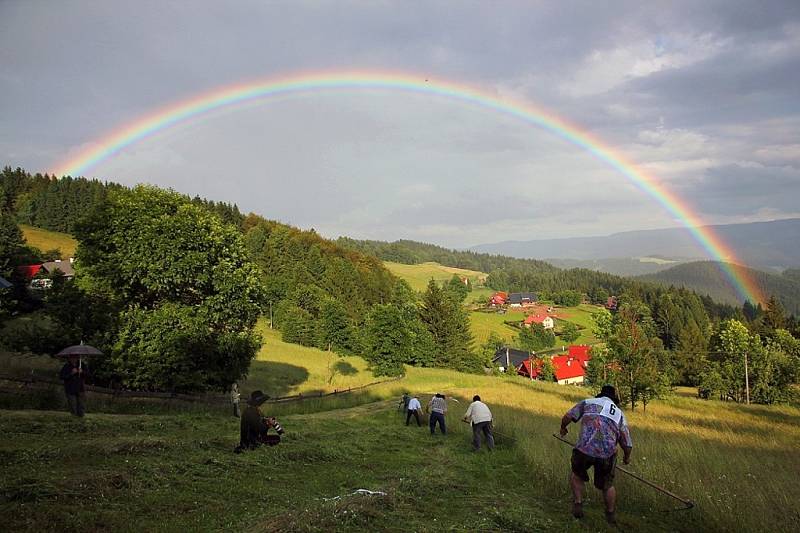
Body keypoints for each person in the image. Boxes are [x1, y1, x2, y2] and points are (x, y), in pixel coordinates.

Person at [559, 384, 633, 525]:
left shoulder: (587, 402)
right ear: (613, 399)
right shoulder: (619, 414)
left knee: (577, 475)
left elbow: (568, 416)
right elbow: (627, 442)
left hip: (584, 449)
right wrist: (626, 457)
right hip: (606, 455)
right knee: (607, 485)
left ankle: (578, 503)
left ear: (600, 395)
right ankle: (610, 514)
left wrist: (563, 428)